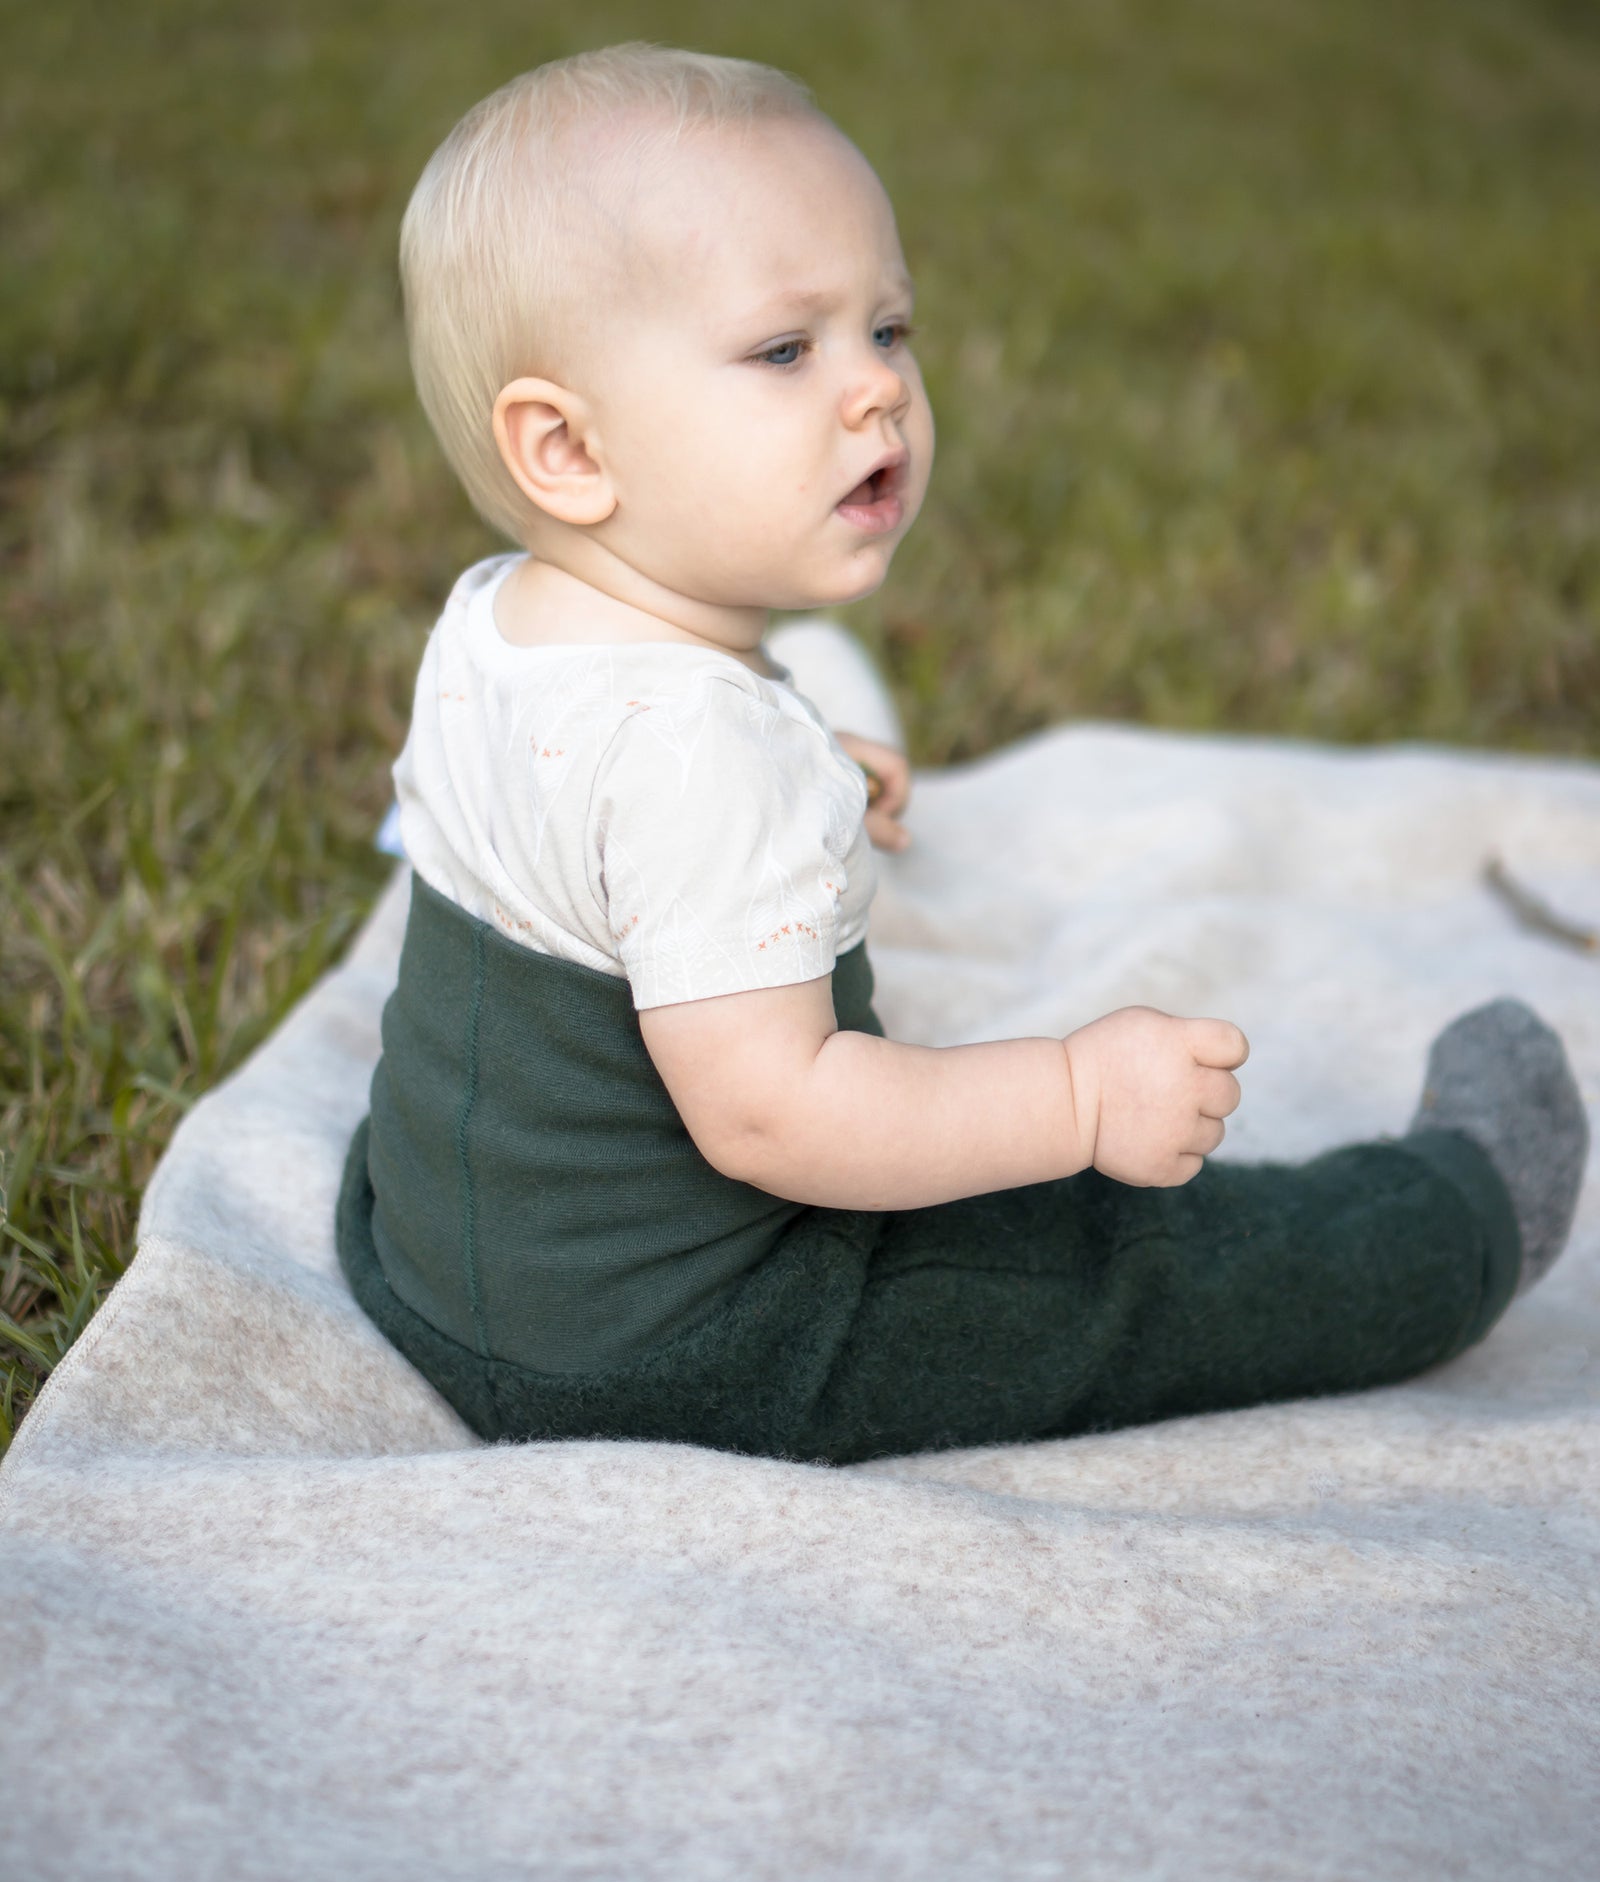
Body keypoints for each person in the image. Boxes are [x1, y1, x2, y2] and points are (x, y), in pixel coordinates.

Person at [336, 44, 1587, 1464]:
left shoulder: (497, 618)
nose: (876, 390)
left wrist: (799, 754)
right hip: (686, 1343)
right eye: (785, 348)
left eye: (891, 329)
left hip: (434, 1263)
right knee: (1122, 1276)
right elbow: (771, 1115)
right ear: (566, 450)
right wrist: (1075, 1097)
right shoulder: (703, 761)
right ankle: (1456, 1221)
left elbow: (570, 809)